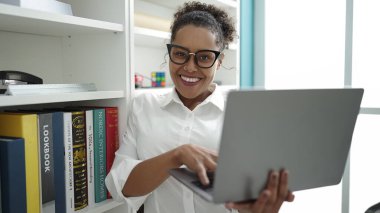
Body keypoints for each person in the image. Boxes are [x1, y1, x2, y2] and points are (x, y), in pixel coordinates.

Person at [105, 1, 294, 213]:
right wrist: (177, 156)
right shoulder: (143, 107)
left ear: (219, 61)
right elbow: (122, 186)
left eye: (204, 57)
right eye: (180, 54)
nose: (190, 67)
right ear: (170, 53)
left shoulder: (243, 115)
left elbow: (252, 196)